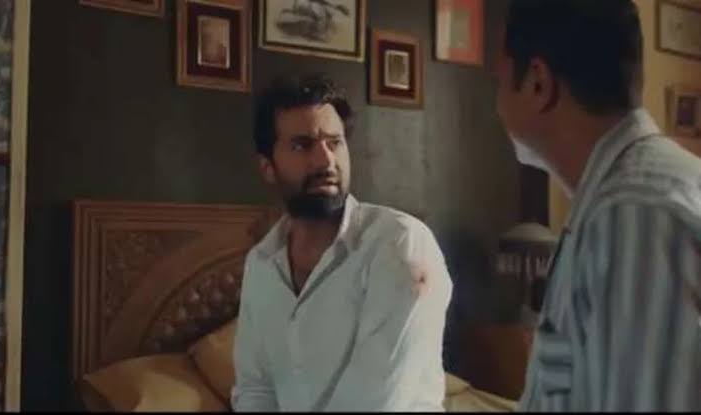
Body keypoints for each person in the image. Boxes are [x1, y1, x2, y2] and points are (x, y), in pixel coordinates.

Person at [495, 0, 701, 411]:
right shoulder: (613, 203)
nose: (496, 104)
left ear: (537, 82)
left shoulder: (635, 216)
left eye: (498, 82)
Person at [231, 75, 453, 411]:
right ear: (267, 168)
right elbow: (255, 390)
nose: (325, 161)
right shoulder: (261, 264)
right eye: (302, 145)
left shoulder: (399, 243)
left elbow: (376, 402)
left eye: (334, 143)